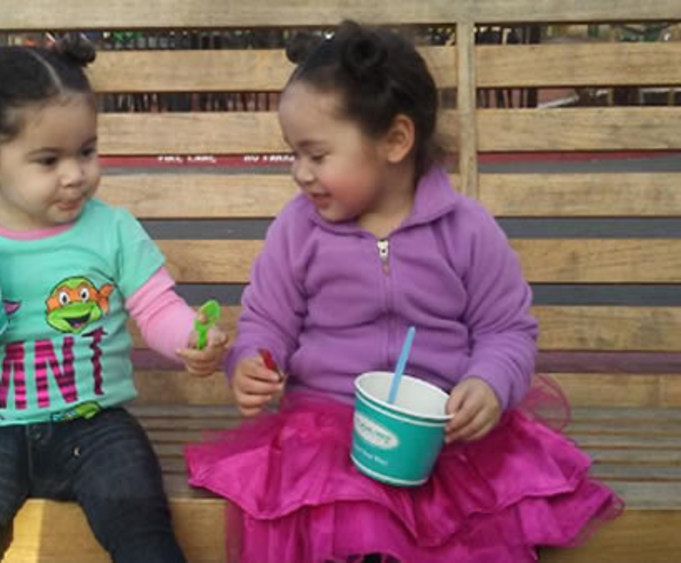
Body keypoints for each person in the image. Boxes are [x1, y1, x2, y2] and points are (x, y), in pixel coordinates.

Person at [185, 21, 622, 563]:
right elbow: (267, 323)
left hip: (446, 440)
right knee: (350, 519)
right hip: (326, 436)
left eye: (317, 155)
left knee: (480, 522)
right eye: (294, 154)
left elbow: (506, 330)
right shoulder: (298, 231)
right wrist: (251, 362)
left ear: (395, 140)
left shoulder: (466, 230)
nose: (300, 173)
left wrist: (489, 384)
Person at [0, 36, 228, 563]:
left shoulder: (111, 230)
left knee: (143, 528)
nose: (75, 174)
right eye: (48, 160)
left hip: (97, 427)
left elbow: (157, 309)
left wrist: (191, 340)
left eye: (86, 151)